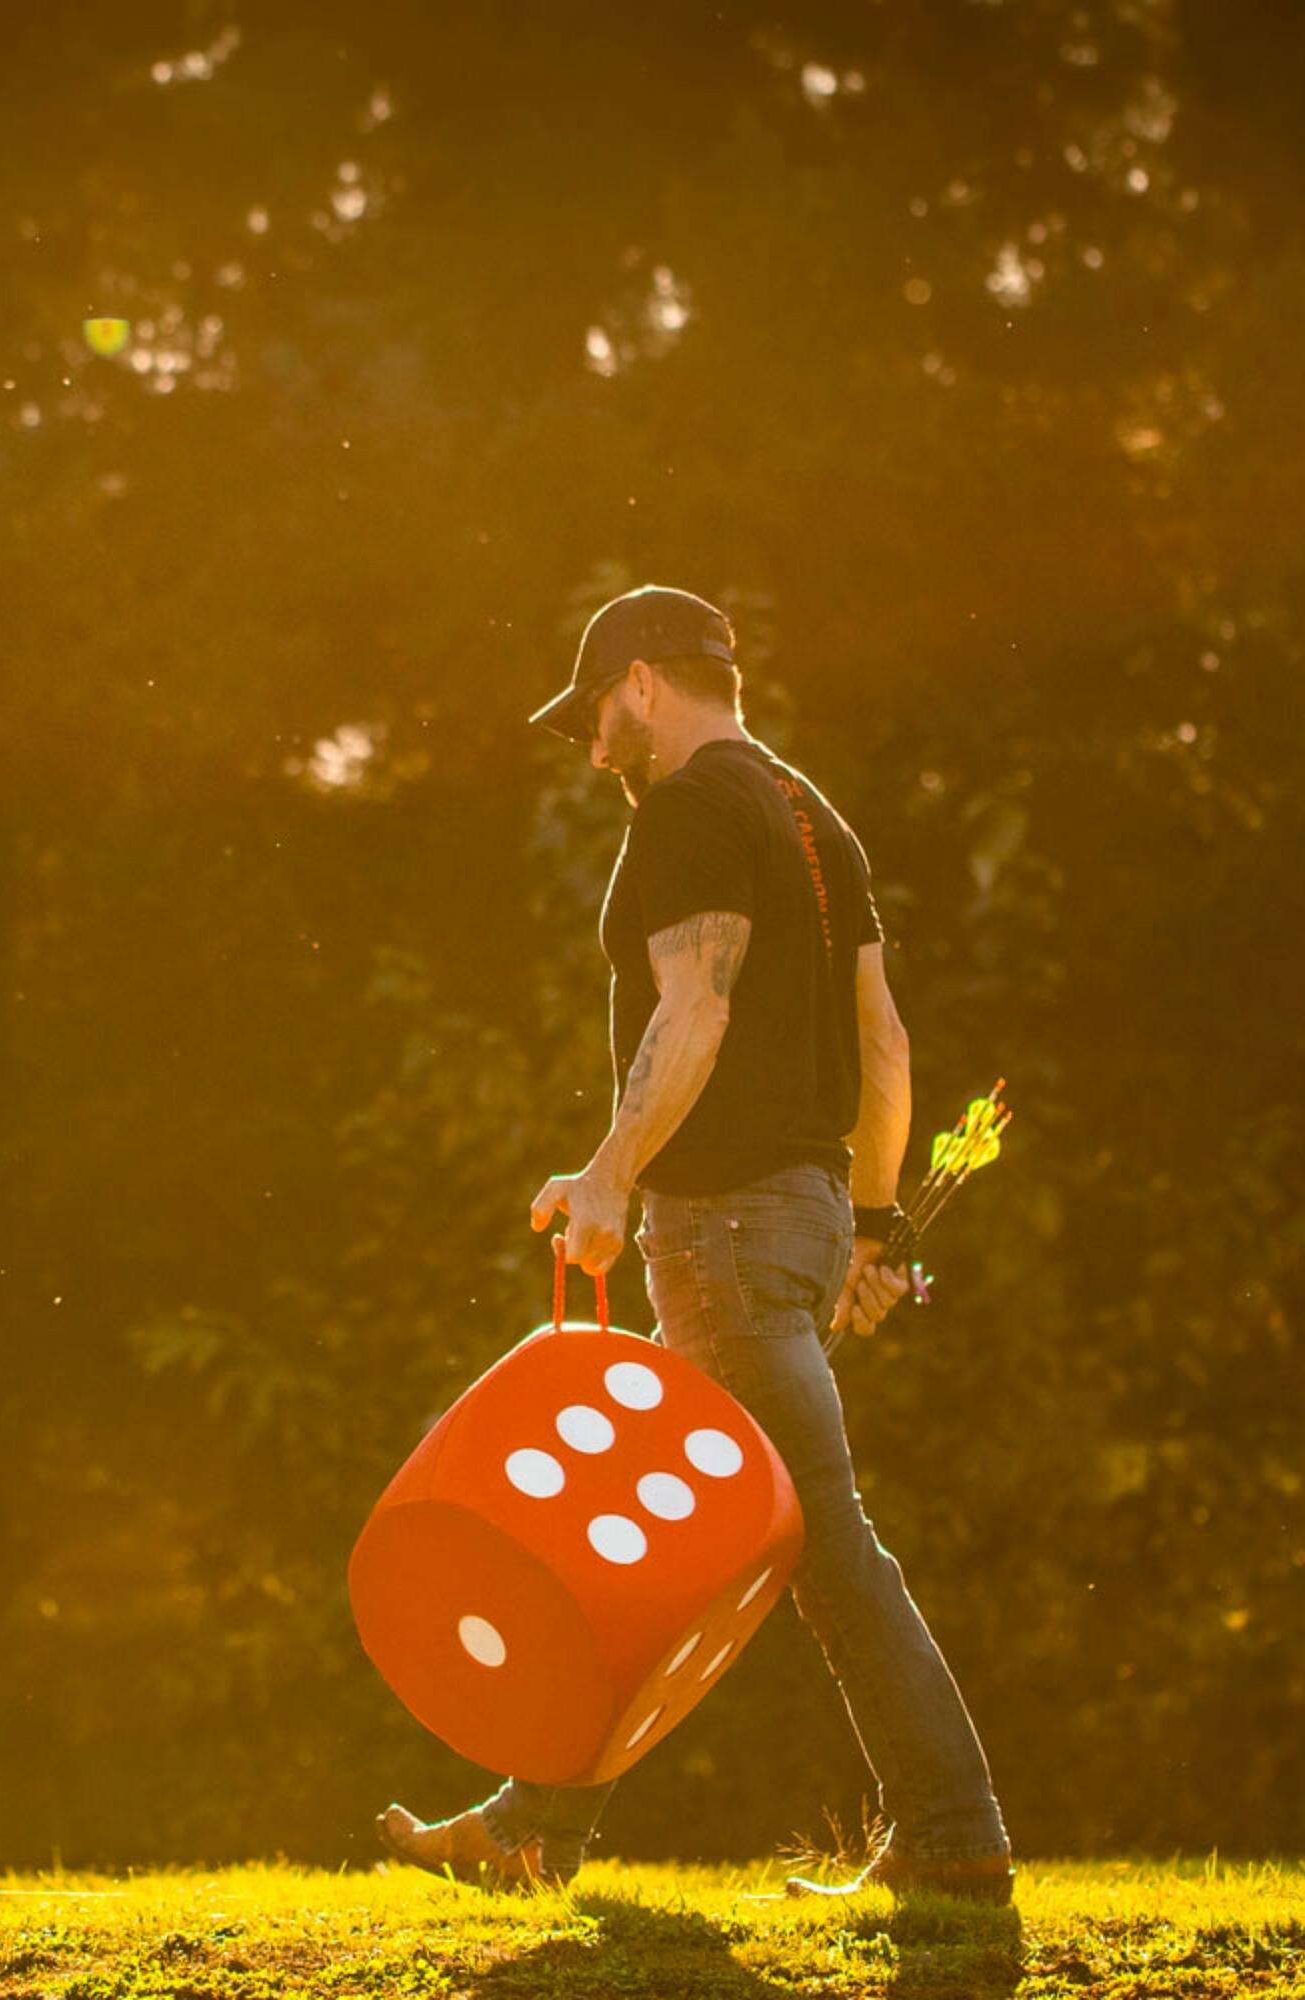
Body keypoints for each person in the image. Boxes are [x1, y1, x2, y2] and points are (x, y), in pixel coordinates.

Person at [376, 585, 1013, 1904]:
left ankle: (954, 1836)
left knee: (823, 1547)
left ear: (643, 683)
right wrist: (872, 1228)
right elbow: (886, 1043)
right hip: (798, 1217)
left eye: (594, 716)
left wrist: (610, 1173)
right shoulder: (812, 817)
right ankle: (537, 1825)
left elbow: (698, 1011)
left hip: (722, 1229)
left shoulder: (687, 810)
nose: (591, 745)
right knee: (664, 1539)